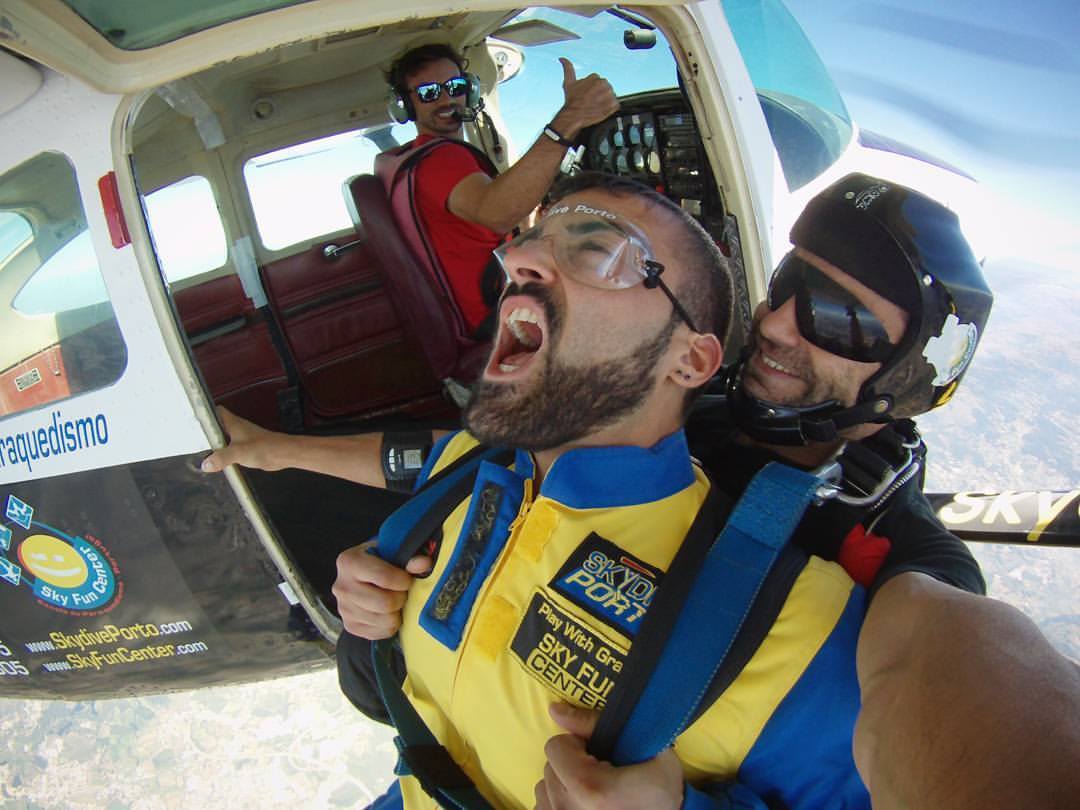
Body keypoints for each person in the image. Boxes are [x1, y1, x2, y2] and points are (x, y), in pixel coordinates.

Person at [203, 174, 1080, 808]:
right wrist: (302, 473)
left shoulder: (891, 553)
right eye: (786, 290)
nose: (776, 323)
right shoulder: (675, 403)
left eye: (835, 317)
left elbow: (963, 684)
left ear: (899, 382)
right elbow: (449, 457)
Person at [382, 43, 618, 335]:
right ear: (405, 105)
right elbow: (498, 214)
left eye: (455, 87)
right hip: (498, 316)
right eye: (428, 92)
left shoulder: (412, 161)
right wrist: (571, 118)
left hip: (480, 307)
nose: (446, 99)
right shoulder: (440, 159)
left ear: (469, 90)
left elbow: (480, 225)